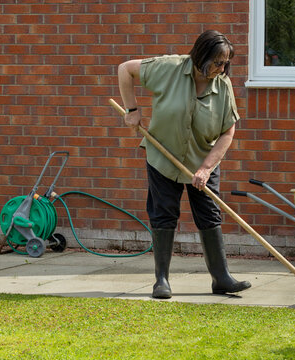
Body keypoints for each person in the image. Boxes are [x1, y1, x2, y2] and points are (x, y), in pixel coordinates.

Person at [117, 30, 251, 299]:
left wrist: (206, 168)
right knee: (164, 213)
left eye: (226, 63)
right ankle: (161, 281)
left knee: (209, 214)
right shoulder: (169, 68)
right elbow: (125, 69)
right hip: (163, 157)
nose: (222, 68)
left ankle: (221, 278)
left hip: (203, 160)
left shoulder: (222, 85)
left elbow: (228, 131)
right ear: (200, 56)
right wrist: (132, 110)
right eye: (217, 62)